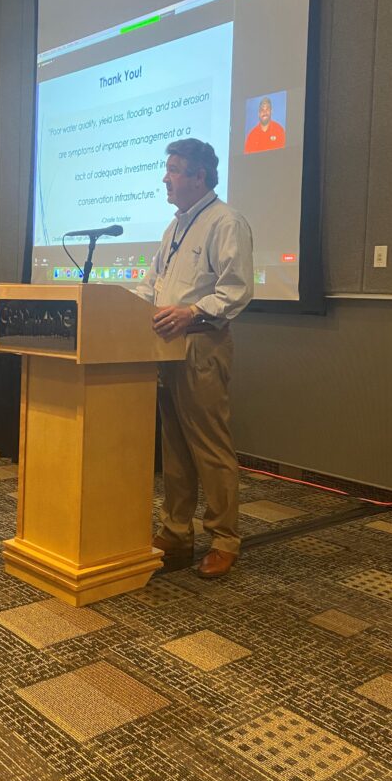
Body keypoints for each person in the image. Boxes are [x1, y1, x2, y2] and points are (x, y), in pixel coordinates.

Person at [136, 139, 254, 578]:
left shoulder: (225, 222)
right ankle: (176, 531)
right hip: (166, 347)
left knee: (209, 446)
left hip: (203, 343)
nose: (165, 178)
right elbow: (154, 285)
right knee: (176, 446)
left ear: (198, 176)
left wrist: (191, 312)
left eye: (173, 170)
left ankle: (225, 538)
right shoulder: (175, 227)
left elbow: (236, 289)